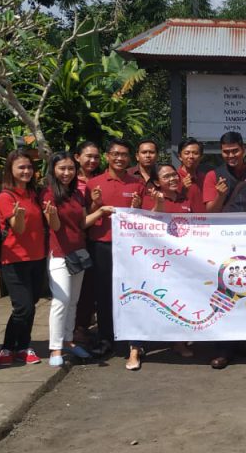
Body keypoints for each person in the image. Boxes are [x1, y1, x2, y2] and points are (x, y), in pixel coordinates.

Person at [201, 132, 246, 368]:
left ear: (243, 149)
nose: (230, 156)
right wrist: (221, 195)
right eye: (226, 152)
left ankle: (244, 341)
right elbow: (209, 213)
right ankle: (222, 347)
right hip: (224, 246)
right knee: (225, 293)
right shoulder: (213, 175)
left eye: (234, 151)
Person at [85, 139, 146, 369]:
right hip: (102, 244)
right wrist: (96, 204)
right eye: (115, 154)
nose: (120, 158)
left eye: (124, 154)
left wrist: (138, 207)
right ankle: (105, 338)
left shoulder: (137, 183)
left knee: (133, 293)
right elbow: (87, 218)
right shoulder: (94, 183)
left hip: (130, 248)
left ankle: (133, 340)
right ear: (107, 156)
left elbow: (144, 217)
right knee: (103, 293)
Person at [43, 152, 105, 367]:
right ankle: (55, 348)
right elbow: (55, 227)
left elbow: (81, 224)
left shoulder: (78, 194)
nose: (67, 173)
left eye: (70, 168)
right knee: (61, 301)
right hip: (60, 254)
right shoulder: (49, 193)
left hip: (78, 253)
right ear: (53, 170)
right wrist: (51, 216)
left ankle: (68, 341)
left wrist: (100, 209)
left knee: (73, 302)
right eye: (62, 168)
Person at [143, 163, 201, 360]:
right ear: (157, 183)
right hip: (161, 260)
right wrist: (158, 203)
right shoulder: (152, 198)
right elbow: (148, 223)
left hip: (186, 259)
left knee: (183, 299)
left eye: (174, 175)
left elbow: (201, 222)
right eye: (166, 177)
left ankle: (179, 342)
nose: (172, 179)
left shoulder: (187, 196)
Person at [0, 150, 47, 366]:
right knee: (24, 307)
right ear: (11, 171)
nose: (26, 171)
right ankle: (10, 347)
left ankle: (20, 347)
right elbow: (18, 229)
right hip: (14, 259)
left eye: (29, 167)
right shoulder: (6, 196)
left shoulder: (34, 194)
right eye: (21, 168)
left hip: (37, 257)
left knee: (29, 305)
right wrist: (18, 216)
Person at [73, 140, 103, 344]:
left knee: (92, 286)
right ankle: (77, 329)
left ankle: (84, 325)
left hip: (98, 239)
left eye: (96, 157)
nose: (92, 160)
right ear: (77, 157)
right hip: (77, 241)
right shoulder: (71, 181)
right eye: (88, 156)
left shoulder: (101, 179)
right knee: (79, 289)